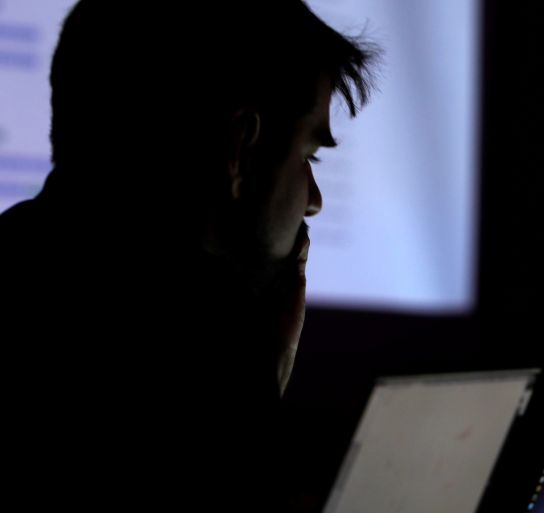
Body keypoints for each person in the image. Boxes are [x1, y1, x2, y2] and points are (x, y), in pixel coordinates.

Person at [0, 1, 377, 510]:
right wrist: (252, 388)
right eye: (308, 156)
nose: (313, 198)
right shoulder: (190, 360)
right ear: (239, 148)